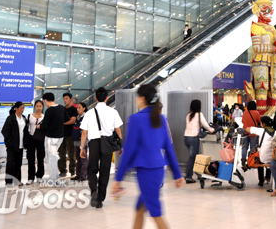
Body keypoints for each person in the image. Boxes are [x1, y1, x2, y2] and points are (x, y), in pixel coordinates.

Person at [113, 84, 186, 229]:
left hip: (146, 172)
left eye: (137, 97)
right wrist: (177, 174)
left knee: (155, 212)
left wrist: (118, 178)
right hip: (158, 170)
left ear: (141, 99)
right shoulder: (161, 119)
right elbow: (169, 148)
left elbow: (129, 150)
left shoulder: (136, 119)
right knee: (140, 207)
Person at [79, 87, 124, 208]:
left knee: (91, 169)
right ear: (107, 98)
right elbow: (118, 129)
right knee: (105, 170)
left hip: (94, 143)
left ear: (95, 98)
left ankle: (94, 191)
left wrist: (82, 147)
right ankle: (100, 198)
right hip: (108, 143)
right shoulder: (113, 112)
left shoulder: (89, 113)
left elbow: (84, 132)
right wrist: (120, 145)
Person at [39, 92, 70, 184]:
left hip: (51, 137)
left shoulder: (49, 111)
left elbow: (44, 125)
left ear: (45, 101)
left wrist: (39, 126)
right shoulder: (61, 108)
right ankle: (55, 175)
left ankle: (52, 179)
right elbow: (67, 119)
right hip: (60, 137)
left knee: (51, 158)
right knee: (54, 156)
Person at [183, 99, 216, 183]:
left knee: (193, 157)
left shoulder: (188, 115)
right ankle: (188, 177)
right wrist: (212, 130)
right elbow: (206, 125)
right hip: (193, 138)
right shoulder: (199, 115)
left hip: (186, 138)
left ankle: (196, 173)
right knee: (192, 158)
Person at [1, 101, 29, 186]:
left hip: (20, 146)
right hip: (12, 146)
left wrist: (25, 143)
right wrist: (9, 142)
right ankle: (9, 182)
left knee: (18, 164)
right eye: (21, 108)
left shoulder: (23, 118)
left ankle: (17, 181)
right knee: (10, 164)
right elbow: (4, 131)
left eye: (23, 108)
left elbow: (25, 132)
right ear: (16, 108)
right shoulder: (11, 118)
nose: (22, 110)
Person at [242, 116, 275, 187]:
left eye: (261, 123)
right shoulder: (275, 132)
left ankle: (261, 181)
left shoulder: (261, 130)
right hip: (273, 158)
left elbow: (248, 129)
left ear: (263, 124)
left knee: (259, 157)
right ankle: (268, 176)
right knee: (268, 154)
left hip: (263, 158)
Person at [59, 92, 78, 178]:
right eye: (64, 99)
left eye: (66, 98)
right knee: (61, 153)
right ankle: (63, 170)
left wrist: (62, 123)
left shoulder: (74, 110)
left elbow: (72, 121)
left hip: (71, 134)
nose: (65, 100)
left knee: (71, 154)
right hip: (62, 134)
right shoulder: (62, 109)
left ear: (71, 99)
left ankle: (72, 170)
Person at [26, 99, 45, 185]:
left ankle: (39, 176)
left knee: (40, 158)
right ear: (34, 107)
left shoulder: (44, 117)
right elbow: (26, 128)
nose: (38, 108)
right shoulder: (30, 116)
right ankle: (31, 177)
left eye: (40, 106)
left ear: (42, 107)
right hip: (31, 139)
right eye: (37, 106)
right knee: (31, 158)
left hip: (41, 139)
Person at [72, 102, 89, 182]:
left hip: (84, 141)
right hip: (77, 140)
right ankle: (78, 175)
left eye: (79, 107)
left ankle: (83, 175)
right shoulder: (77, 117)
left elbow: (86, 131)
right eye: (77, 108)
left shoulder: (86, 117)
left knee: (84, 159)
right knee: (78, 159)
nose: (78, 109)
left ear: (84, 108)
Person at [241, 101, 261, 166]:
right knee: (253, 147)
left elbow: (243, 121)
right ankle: (250, 161)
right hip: (253, 133)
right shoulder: (256, 113)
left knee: (244, 147)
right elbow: (260, 121)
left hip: (245, 132)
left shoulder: (245, 113)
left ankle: (243, 159)